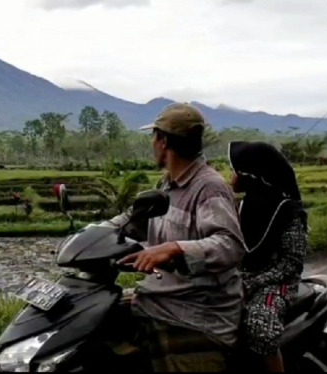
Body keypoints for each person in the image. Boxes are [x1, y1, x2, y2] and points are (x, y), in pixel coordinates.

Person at [108, 102, 247, 372]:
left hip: (196, 313)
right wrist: (89, 236)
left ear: (163, 141)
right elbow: (131, 218)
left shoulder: (208, 188)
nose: (152, 143)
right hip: (158, 300)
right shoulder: (166, 185)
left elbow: (229, 244)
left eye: (154, 136)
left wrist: (175, 249)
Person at [228, 141, 309, 372]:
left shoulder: (288, 212)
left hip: (276, 284)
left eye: (235, 171)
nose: (231, 177)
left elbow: (291, 265)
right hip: (239, 278)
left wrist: (251, 282)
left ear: (251, 175)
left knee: (260, 329)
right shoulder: (240, 206)